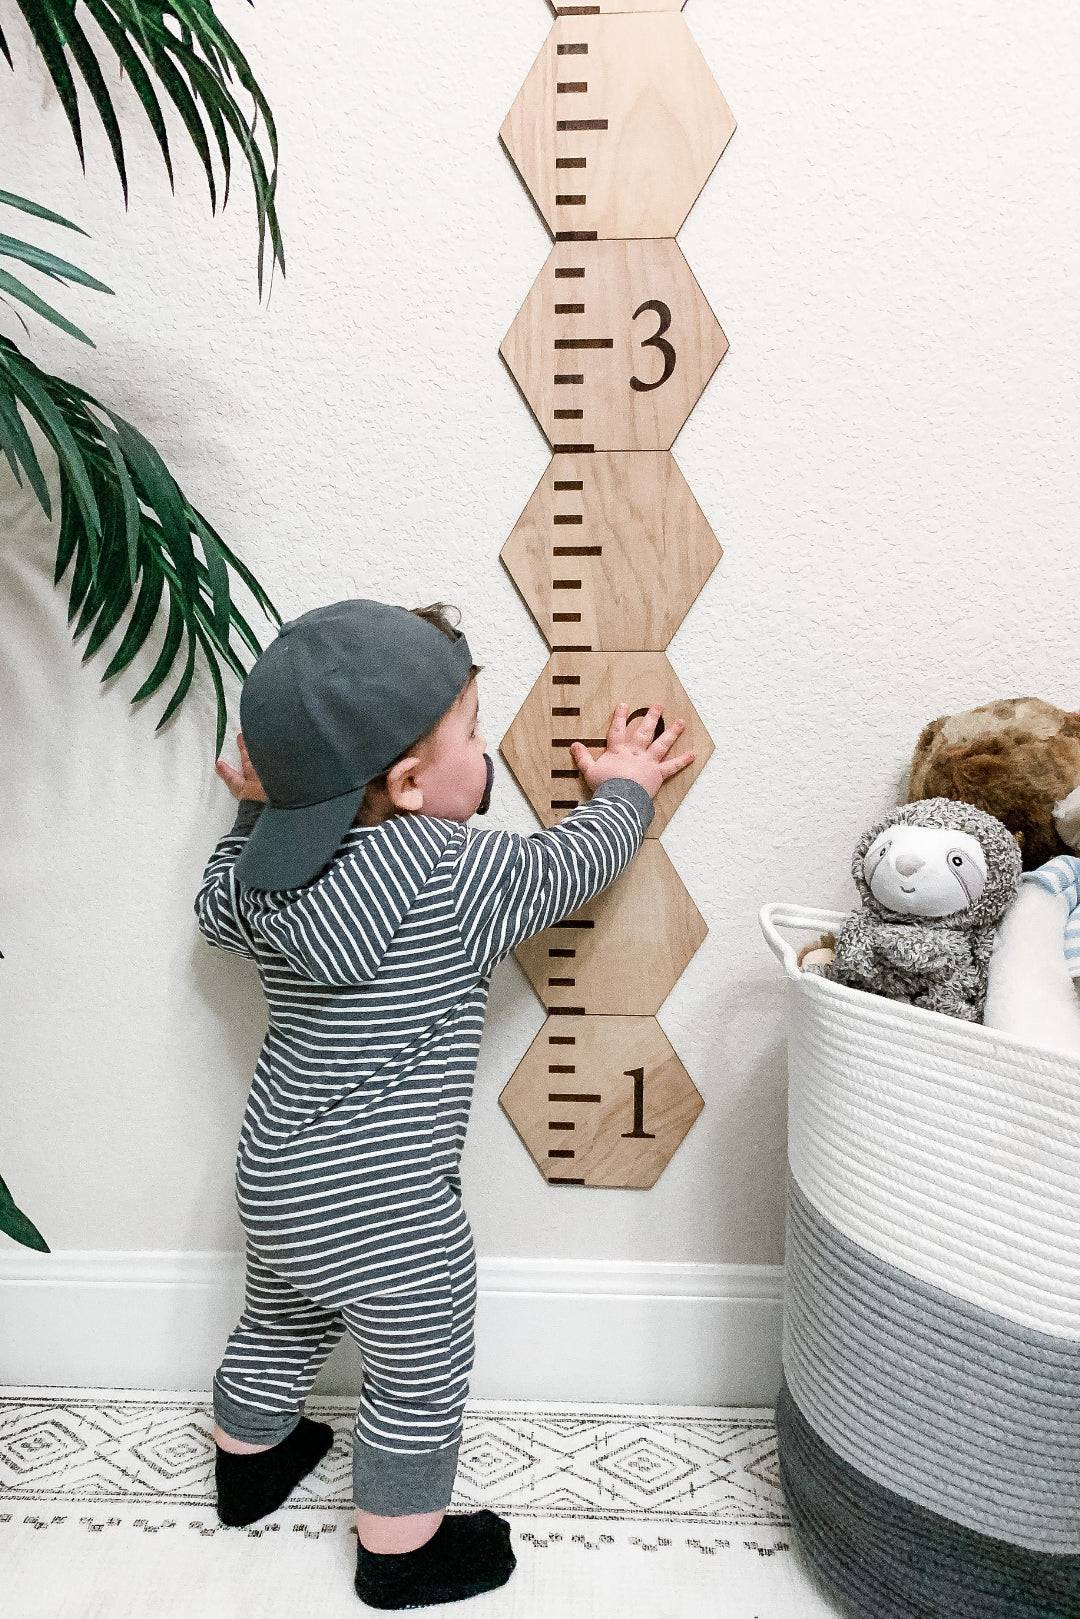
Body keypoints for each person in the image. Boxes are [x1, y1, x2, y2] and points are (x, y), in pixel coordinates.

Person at [194, 598, 694, 1609]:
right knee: (418, 1369)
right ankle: (402, 1550)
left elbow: (211, 907)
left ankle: (247, 1462)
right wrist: (627, 791)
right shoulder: (452, 870)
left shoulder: (259, 878)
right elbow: (572, 864)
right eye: (473, 728)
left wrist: (260, 811)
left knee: (280, 1316)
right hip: (391, 1212)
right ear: (415, 781)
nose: (488, 747)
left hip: (277, 1180)